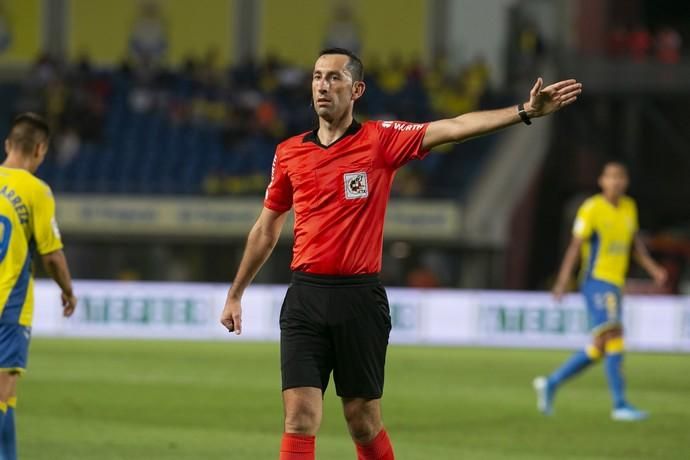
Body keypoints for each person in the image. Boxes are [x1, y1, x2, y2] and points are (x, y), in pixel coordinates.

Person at [220, 47, 581, 460]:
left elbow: (455, 127)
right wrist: (235, 293)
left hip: (360, 300)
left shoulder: (380, 141)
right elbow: (267, 228)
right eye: (318, 77)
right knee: (300, 416)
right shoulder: (288, 153)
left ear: (356, 89)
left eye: (334, 78)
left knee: (362, 419)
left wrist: (524, 111)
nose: (323, 85)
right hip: (305, 297)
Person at [534, 161, 667, 422]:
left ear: (626, 182)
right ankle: (620, 405)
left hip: (615, 283)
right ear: (601, 181)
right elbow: (575, 246)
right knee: (615, 335)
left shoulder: (629, 207)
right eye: (611, 177)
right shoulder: (592, 208)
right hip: (596, 280)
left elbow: (634, 244)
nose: (615, 182)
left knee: (601, 345)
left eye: (620, 177)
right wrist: (562, 281)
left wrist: (653, 268)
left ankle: (551, 383)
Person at [0, 113, 77, 459]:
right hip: (8, 309)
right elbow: (52, 255)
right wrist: (67, 289)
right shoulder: (36, 191)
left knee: (7, 402)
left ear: (7, 145)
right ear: (40, 150)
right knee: (3, 395)